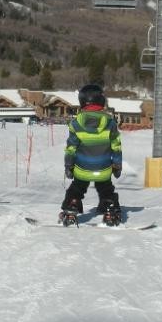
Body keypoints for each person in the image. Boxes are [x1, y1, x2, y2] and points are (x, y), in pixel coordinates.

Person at [60, 84, 124, 227]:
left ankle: (72, 205)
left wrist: (68, 165)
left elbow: (71, 148)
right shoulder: (110, 123)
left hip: (82, 168)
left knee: (77, 187)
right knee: (106, 187)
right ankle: (109, 207)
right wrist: (117, 165)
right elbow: (116, 146)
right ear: (102, 100)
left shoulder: (76, 124)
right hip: (104, 168)